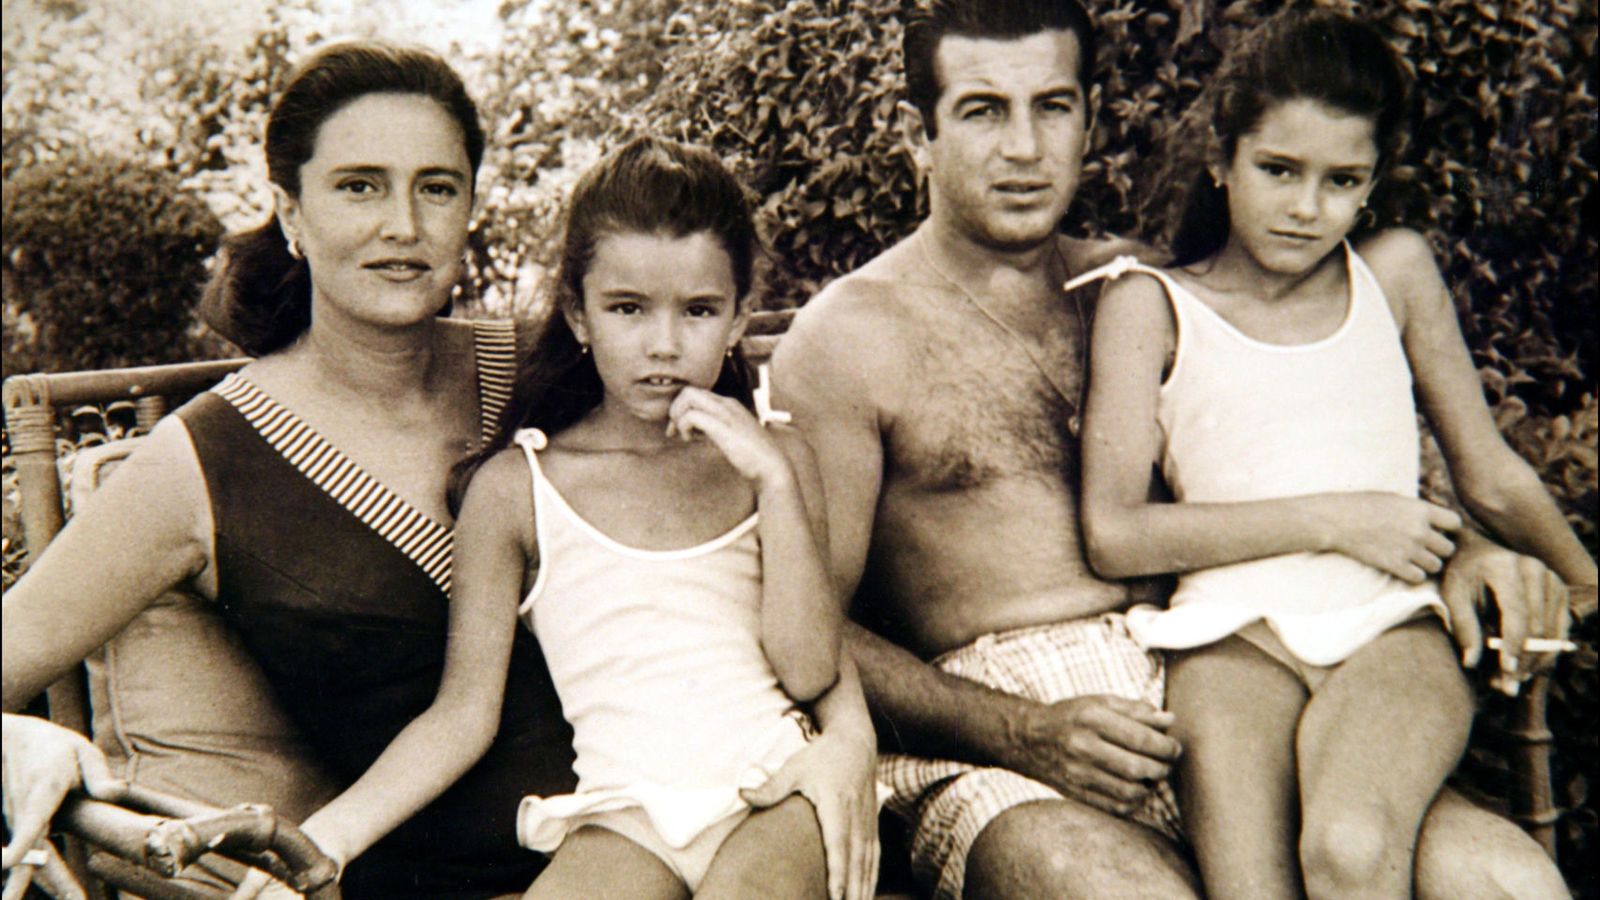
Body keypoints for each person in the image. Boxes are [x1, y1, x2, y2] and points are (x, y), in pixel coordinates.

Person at [2, 42, 878, 900]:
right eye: (358, 187)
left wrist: (847, 739)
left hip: (749, 825)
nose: (403, 227)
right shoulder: (200, 462)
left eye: (437, 188)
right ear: (291, 213)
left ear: (469, 208)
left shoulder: (552, 370)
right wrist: (21, 744)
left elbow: (749, 595)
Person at [770, 1, 1579, 898]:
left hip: (1228, 684)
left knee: (1508, 883)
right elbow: (812, 626)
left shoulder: (1149, 291)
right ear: (913, 131)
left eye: (1053, 106)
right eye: (983, 110)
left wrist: (1466, 550)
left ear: (1089, 117)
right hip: (1012, 752)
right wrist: (1020, 732)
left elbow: (1313, 457)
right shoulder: (848, 339)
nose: (1026, 147)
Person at [1076, 10, 1596, 898]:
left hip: (1389, 625)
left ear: (1372, 185)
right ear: (1222, 159)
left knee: (1350, 847)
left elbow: (1490, 473)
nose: (1306, 206)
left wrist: (1582, 581)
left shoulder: (1391, 271)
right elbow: (1116, 534)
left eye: (1341, 179)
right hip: (1228, 641)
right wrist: (1339, 517)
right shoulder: (1150, 304)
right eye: (1278, 170)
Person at [422, 135, 874, 900]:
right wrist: (330, 837)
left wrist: (772, 478)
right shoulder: (517, 486)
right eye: (628, 309)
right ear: (578, 313)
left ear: (738, 319)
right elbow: (460, 715)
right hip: (623, 814)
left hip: (779, 785)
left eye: (699, 311)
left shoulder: (777, 458)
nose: (663, 346)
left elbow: (808, 668)